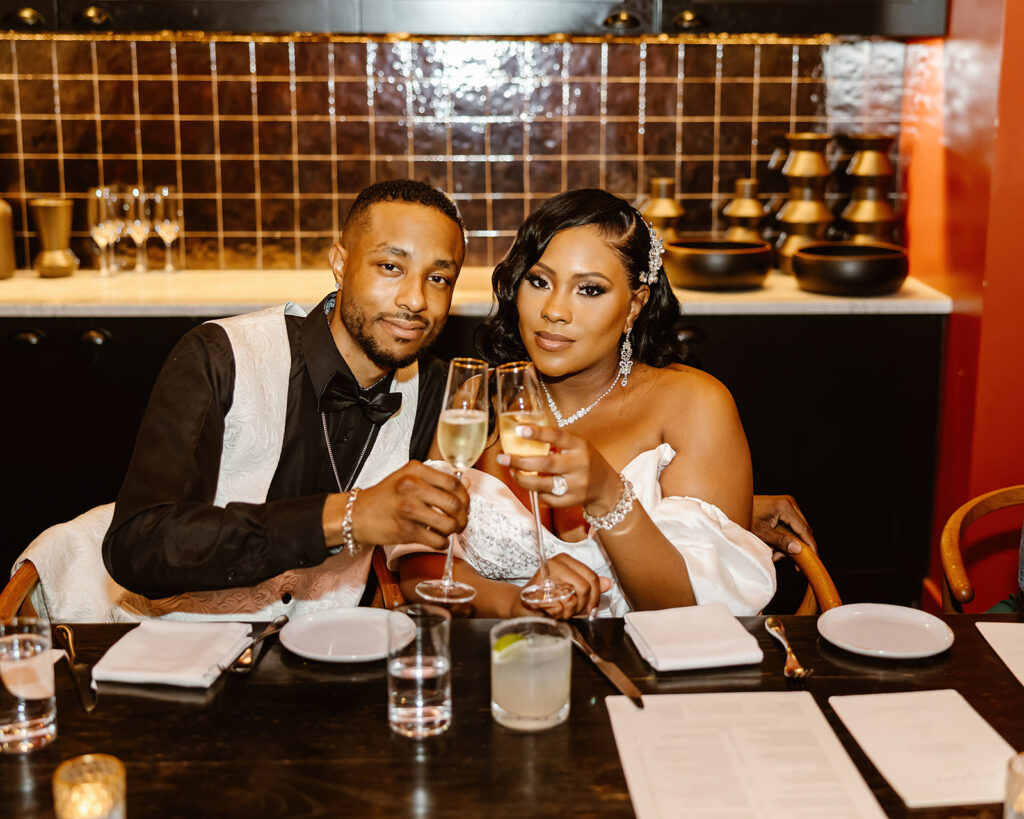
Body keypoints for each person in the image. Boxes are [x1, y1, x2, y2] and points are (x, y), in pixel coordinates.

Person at [91, 179, 470, 620]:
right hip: (171, 654)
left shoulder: (442, 393)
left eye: (439, 278)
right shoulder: (219, 356)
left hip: (325, 661)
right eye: (390, 266)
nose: (415, 300)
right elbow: (139, 544)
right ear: (340, 263)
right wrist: (346, 515)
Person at [392, 189, 778, 618]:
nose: (554, 310)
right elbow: (420, 566)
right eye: (539, 282)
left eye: (589, 290)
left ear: (635, 305)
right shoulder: (480, 400)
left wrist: (608, 496)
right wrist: (512, 604)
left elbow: (694, 616)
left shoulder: (695, 405)